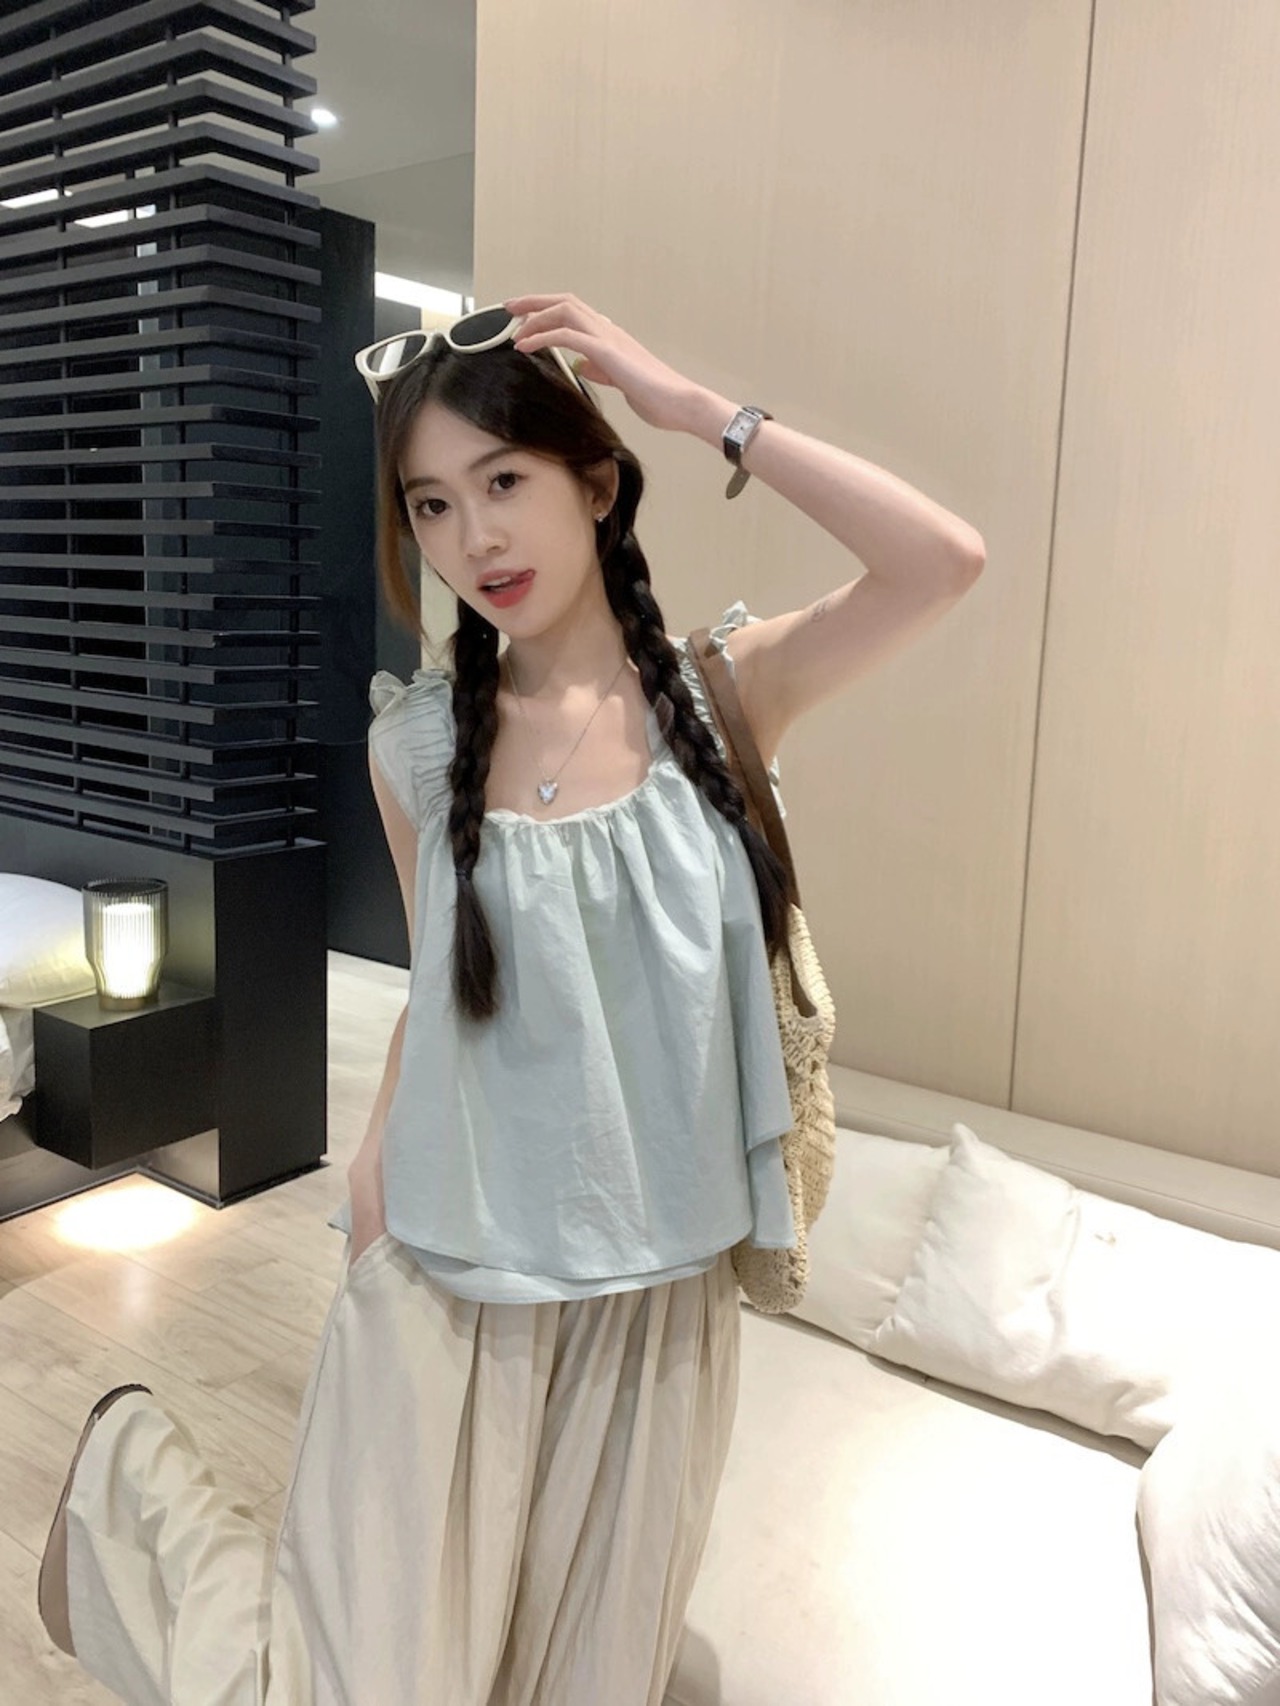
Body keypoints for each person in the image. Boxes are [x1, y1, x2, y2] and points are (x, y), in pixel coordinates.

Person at [36, 291, 985, 1705]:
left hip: (653, 1311)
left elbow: (942, 561)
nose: (473, 538)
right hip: (446, 1270)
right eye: (430, 504)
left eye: (503, 481)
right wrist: (372, 1178)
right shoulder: (417, 746)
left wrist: (690, 405)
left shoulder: (722, 699)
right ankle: (132, 1485)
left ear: (594, 483)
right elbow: (441, 987)